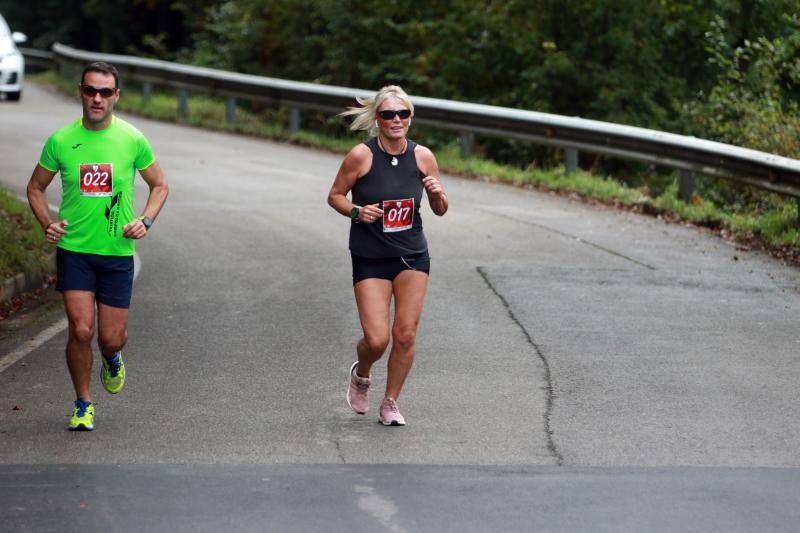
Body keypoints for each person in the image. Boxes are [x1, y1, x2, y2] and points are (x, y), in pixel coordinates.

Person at [26, 62, 168, 431]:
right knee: (81, 330)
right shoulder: (61, 140)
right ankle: (83, 403)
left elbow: (160, 185)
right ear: (80, 92)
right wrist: (47, 223)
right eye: (91, 90)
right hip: (75, 251)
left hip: (117, 253)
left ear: (116, 96)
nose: (97, 98)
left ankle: (112, 357)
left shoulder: (132, 139)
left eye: (105, 92)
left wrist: (146, 220)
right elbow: (35, 188)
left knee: (109, 338)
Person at [327, 85, 448, 426]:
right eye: (388, 114)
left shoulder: (423, 156)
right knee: (377, 339)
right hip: (371, 257)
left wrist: (439, 195)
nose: (396, 120)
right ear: (377, 119)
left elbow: (439, 210)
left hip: (412, 255)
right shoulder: (361, 156)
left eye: (402, 114)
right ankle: (362, 373)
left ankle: (390, 402)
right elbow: (335, 196)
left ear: (410, 118)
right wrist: (356, 212)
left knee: (406, 333)